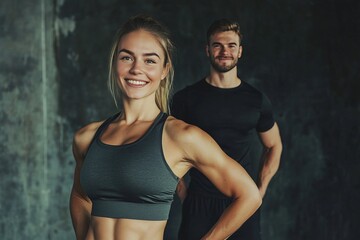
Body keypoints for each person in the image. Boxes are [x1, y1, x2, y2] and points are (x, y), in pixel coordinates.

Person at [69, 15, 262, 240]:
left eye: (149, 60)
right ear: (115, 63)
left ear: (164, 70)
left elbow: (249, 195)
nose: (136, 69)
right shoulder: (87, 137)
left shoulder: (180, 136)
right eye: (126, 58)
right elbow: (81, 197)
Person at [171, 18, 283, 240]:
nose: (225, 51)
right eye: (217, 45)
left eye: (231, 45)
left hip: (242, 200)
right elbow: (168, 149)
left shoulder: (256, 100)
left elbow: (274, 145)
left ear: (240, 51)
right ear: (207, 50)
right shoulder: (186, 99)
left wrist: (260, 189)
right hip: (198, 202)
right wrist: (182, 191)